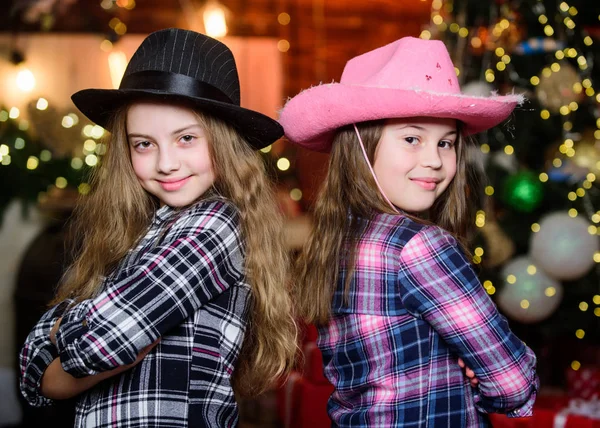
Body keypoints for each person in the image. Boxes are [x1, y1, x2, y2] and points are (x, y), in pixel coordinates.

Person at [19, 28, 297, 428]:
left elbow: (107, 342)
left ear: (222, 142)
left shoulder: (214, 224)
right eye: (143, 144)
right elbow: (40, 382)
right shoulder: (141, 231)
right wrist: (88, 328)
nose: (166, 163)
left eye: (185, 138)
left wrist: (61, 325)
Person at [279, 36, 538, 427]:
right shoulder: (420, 246)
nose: (434, 160)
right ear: (361, 146)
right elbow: (513, 382)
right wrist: (478, 375)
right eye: (412, 138)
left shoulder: (335, 239)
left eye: (447, 142)